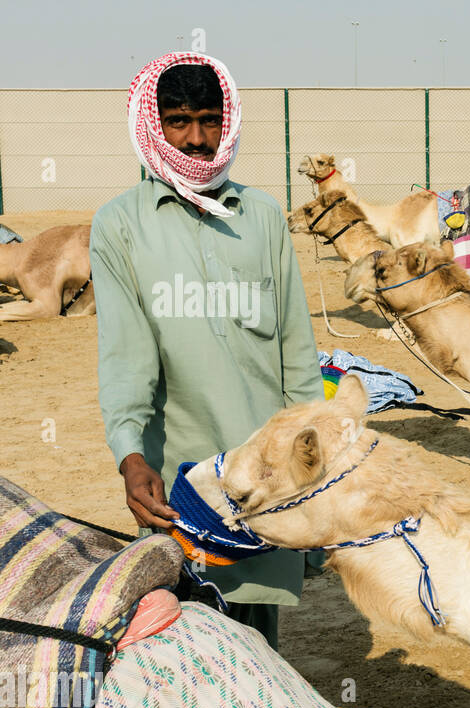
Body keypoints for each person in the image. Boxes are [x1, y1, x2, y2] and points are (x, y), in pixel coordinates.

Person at [93, 53, 323, 650]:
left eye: (209, 120)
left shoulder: (264, 216)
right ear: (154, 124)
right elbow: (126, 357)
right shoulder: (120, 226)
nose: (196, 139)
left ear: (229, 122)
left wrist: (314, 454)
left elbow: (296, 351)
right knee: (186, 646)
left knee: (261, 646)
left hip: (267, 477)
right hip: (180, 485)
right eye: (178, 121)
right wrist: (130, 456)